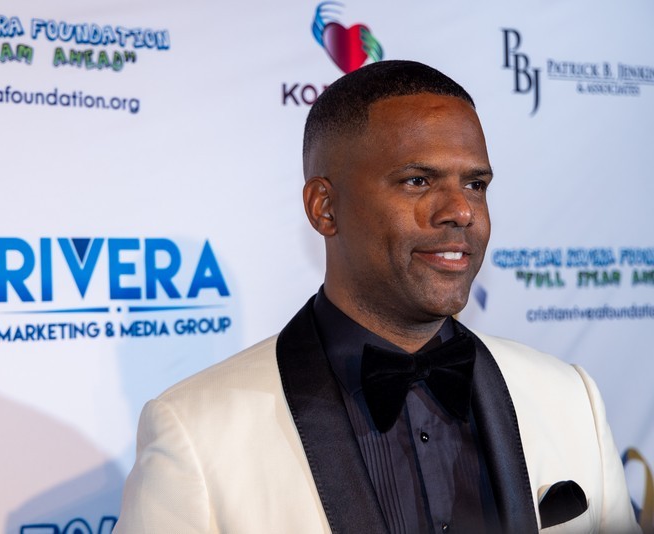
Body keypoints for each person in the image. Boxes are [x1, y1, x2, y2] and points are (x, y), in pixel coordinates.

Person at [115, 60, 640, 533]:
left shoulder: (570, 399)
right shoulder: (196, 435)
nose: (460, 211)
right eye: (417, 181)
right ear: (325, 208)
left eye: (476, 184)